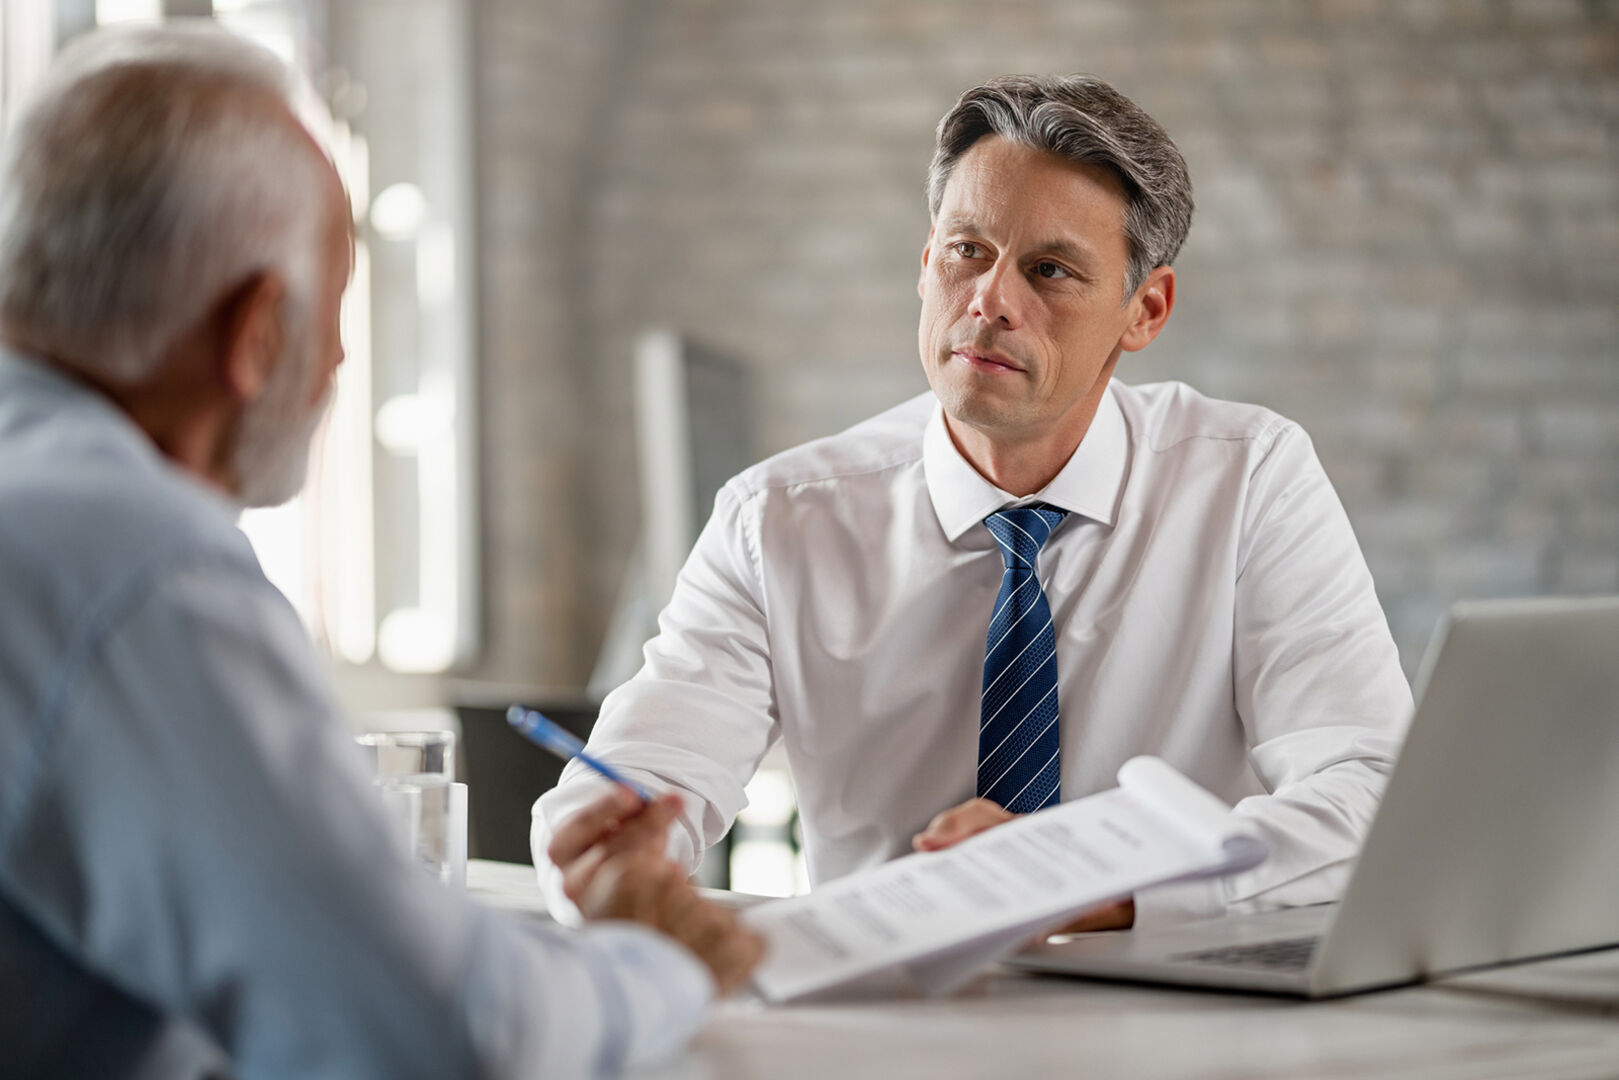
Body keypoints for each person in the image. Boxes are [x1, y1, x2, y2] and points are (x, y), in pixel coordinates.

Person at [0, 24, 759, 1080]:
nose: (345, 357)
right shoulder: (136, 561)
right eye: (338, 310)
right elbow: (441, 1035)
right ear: (256, 333)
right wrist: (652, 958)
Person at [534, 74, 1413, 931]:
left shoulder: (1248, 478)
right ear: (925, 266)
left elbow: (1373, 789)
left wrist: (1098, 878)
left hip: (1169, 1029)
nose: (991, 302)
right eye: (966, 252)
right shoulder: (776, 519)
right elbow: (642, 772)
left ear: (1144, 310)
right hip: (887, 1022)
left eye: (1051, 270)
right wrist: (605, 847)